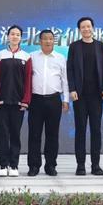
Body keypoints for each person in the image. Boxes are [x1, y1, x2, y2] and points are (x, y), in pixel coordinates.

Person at [0, 24, 32, 177]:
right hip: (2, 102)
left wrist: (26, 100)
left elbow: (28, 81)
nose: (15, 36)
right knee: (3, 134)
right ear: (8, 36)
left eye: (18, 34)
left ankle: (13, 165)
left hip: (19, 103)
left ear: (21, 38)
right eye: (12, 34)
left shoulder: (26, 57)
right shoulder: (0, 55)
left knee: (15, 134)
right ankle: (3, 165)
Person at [67, 17, 103, 176]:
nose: (86, 29)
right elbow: (70, 69)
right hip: (80, 96)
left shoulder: (101, 46)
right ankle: (80, 165)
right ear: (79, 30)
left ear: (93, 28)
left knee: (96, 130)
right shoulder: (74, 46)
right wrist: (72, 89)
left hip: (97, 95)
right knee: (81, 130)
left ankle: (96, 165)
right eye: (83, 27)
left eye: (88, 26)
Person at [27, 29, 69, 176]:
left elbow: (65, 80)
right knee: (34, 134)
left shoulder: (60, 58)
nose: (48, 41)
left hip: (54, 100)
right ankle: (34, 166)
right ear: (40, 41)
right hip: (35, 100)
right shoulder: (32, 57)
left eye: (50, 38)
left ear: (54, 41)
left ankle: (50, 165)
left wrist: (65, 100)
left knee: (52, 134)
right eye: (45, 38)